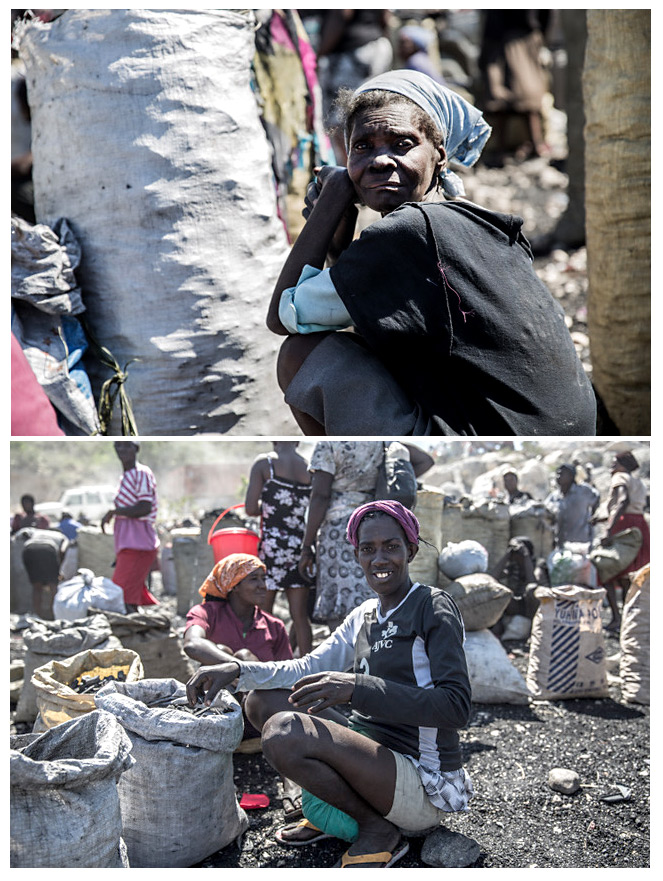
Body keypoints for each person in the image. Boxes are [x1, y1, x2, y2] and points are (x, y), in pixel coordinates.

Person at [267, 69, 596, 436]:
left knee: (300, 355)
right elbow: (359, 309)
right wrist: (340, 243)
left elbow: (284, 316)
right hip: (552, 427)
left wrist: (333, 198)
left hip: (487, 434)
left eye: (402, 144)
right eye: (363, 147)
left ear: (440, 155)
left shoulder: (409, 230)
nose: (380, 160)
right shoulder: (474, 221)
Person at [187, 500, 473, 869]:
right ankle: (348, 812)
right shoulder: (365, 615)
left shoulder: (431, 606)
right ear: (357, 556)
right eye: (368, 549)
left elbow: (456, 707)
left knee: (284, 732)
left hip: (419, 780)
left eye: (391, 546)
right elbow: (307, 666)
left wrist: (357, 687)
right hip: (373, 757)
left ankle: (377, 830)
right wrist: (237, 669)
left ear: (411, 550)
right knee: (262, 701)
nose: (379, 559)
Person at [183, 553, 302, 818]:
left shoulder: (274, 626)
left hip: (260, 718)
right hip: (219, 714)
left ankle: (290, 779)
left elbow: (288, 680)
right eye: (253, 579)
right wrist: (238, 667)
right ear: (234, 585)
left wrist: (248, 670)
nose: (263, 585)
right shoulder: (207, 612)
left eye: (264, 578)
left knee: (247, 657)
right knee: (231, 653)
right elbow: (192, 644)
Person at [244, 442, 313, 655]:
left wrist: (269, 509)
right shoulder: (310, 467)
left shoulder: (264, 464)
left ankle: (268, 662)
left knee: (265, 612)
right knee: (300, 615)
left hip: (272, 548)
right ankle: (308, 665)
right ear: (297, 442)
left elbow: (250, 508)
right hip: (300, 548)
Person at [478, 10, 551, 164]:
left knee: (527, 94)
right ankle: (500, 149)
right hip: (498, 37)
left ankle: (535, 144)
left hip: (522, 37)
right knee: (499, 97)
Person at [101, 441, 159, 614]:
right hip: (129, 543)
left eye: (127, 445)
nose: (121, 449)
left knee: (120, 596)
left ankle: (131, 636)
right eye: (118, 445)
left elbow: (144, 507)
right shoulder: (126, 476)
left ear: (136, 448)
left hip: (138, 543)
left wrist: (114, 512)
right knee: (127, 598)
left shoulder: (141, 473)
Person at [599, 451, 650, 632]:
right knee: (631, 574)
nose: (612, 467)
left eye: (615, 463)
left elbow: (622, 501)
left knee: (606, 568)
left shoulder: (620, 477)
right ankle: (632, 619)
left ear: (623, 465)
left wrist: (608, 530)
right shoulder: (639, 483)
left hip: (624, 527)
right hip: (639, 526)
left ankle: (616, 617)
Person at [544, 464, 600, 548]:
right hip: (562, 543)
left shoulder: (582, 491)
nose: (558, 477)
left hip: (582, 542)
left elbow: (596, 497)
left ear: (571, 476)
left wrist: (593, 515)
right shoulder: (554, 496)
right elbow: (546, 511)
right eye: (557, 474)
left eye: (562, 474)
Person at [19, 526, 69, 619]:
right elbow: (63, 550)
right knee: (53, 586)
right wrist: (59, 569)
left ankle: (38, 616)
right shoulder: (62, 536)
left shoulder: (37, 532)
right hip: (47, 550)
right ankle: (54, 615)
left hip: (28, 550)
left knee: (37, 586)